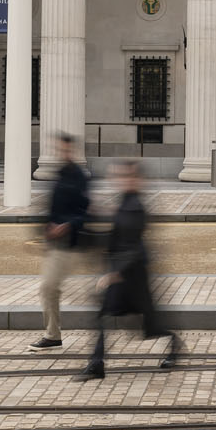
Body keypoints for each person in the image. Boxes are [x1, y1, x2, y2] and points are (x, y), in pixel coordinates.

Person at [78, 160, 178, 380]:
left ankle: (174, 344)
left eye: (126, 176)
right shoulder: (124, 202)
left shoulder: (135, 207)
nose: (120, 180)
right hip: (123, 273)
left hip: (133, 276)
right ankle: (96, 364)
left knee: (151, 327)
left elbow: (133, 247)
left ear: (137, 180)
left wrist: (114, 273)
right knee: (104, 315)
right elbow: (115, 237)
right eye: (119, 176)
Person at [29, 133, 92, 351]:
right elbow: (52, 208)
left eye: (65, 149)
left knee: (50, 287)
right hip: (56, 243)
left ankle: (53, 336)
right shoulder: (61, 174)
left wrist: (67, 225)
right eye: (59, 149)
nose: (61, 153)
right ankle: (53, 335)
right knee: (49, 288)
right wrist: (44, 231)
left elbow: (86, 212)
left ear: (72, 150)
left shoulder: (79, 177)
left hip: (70, 243)